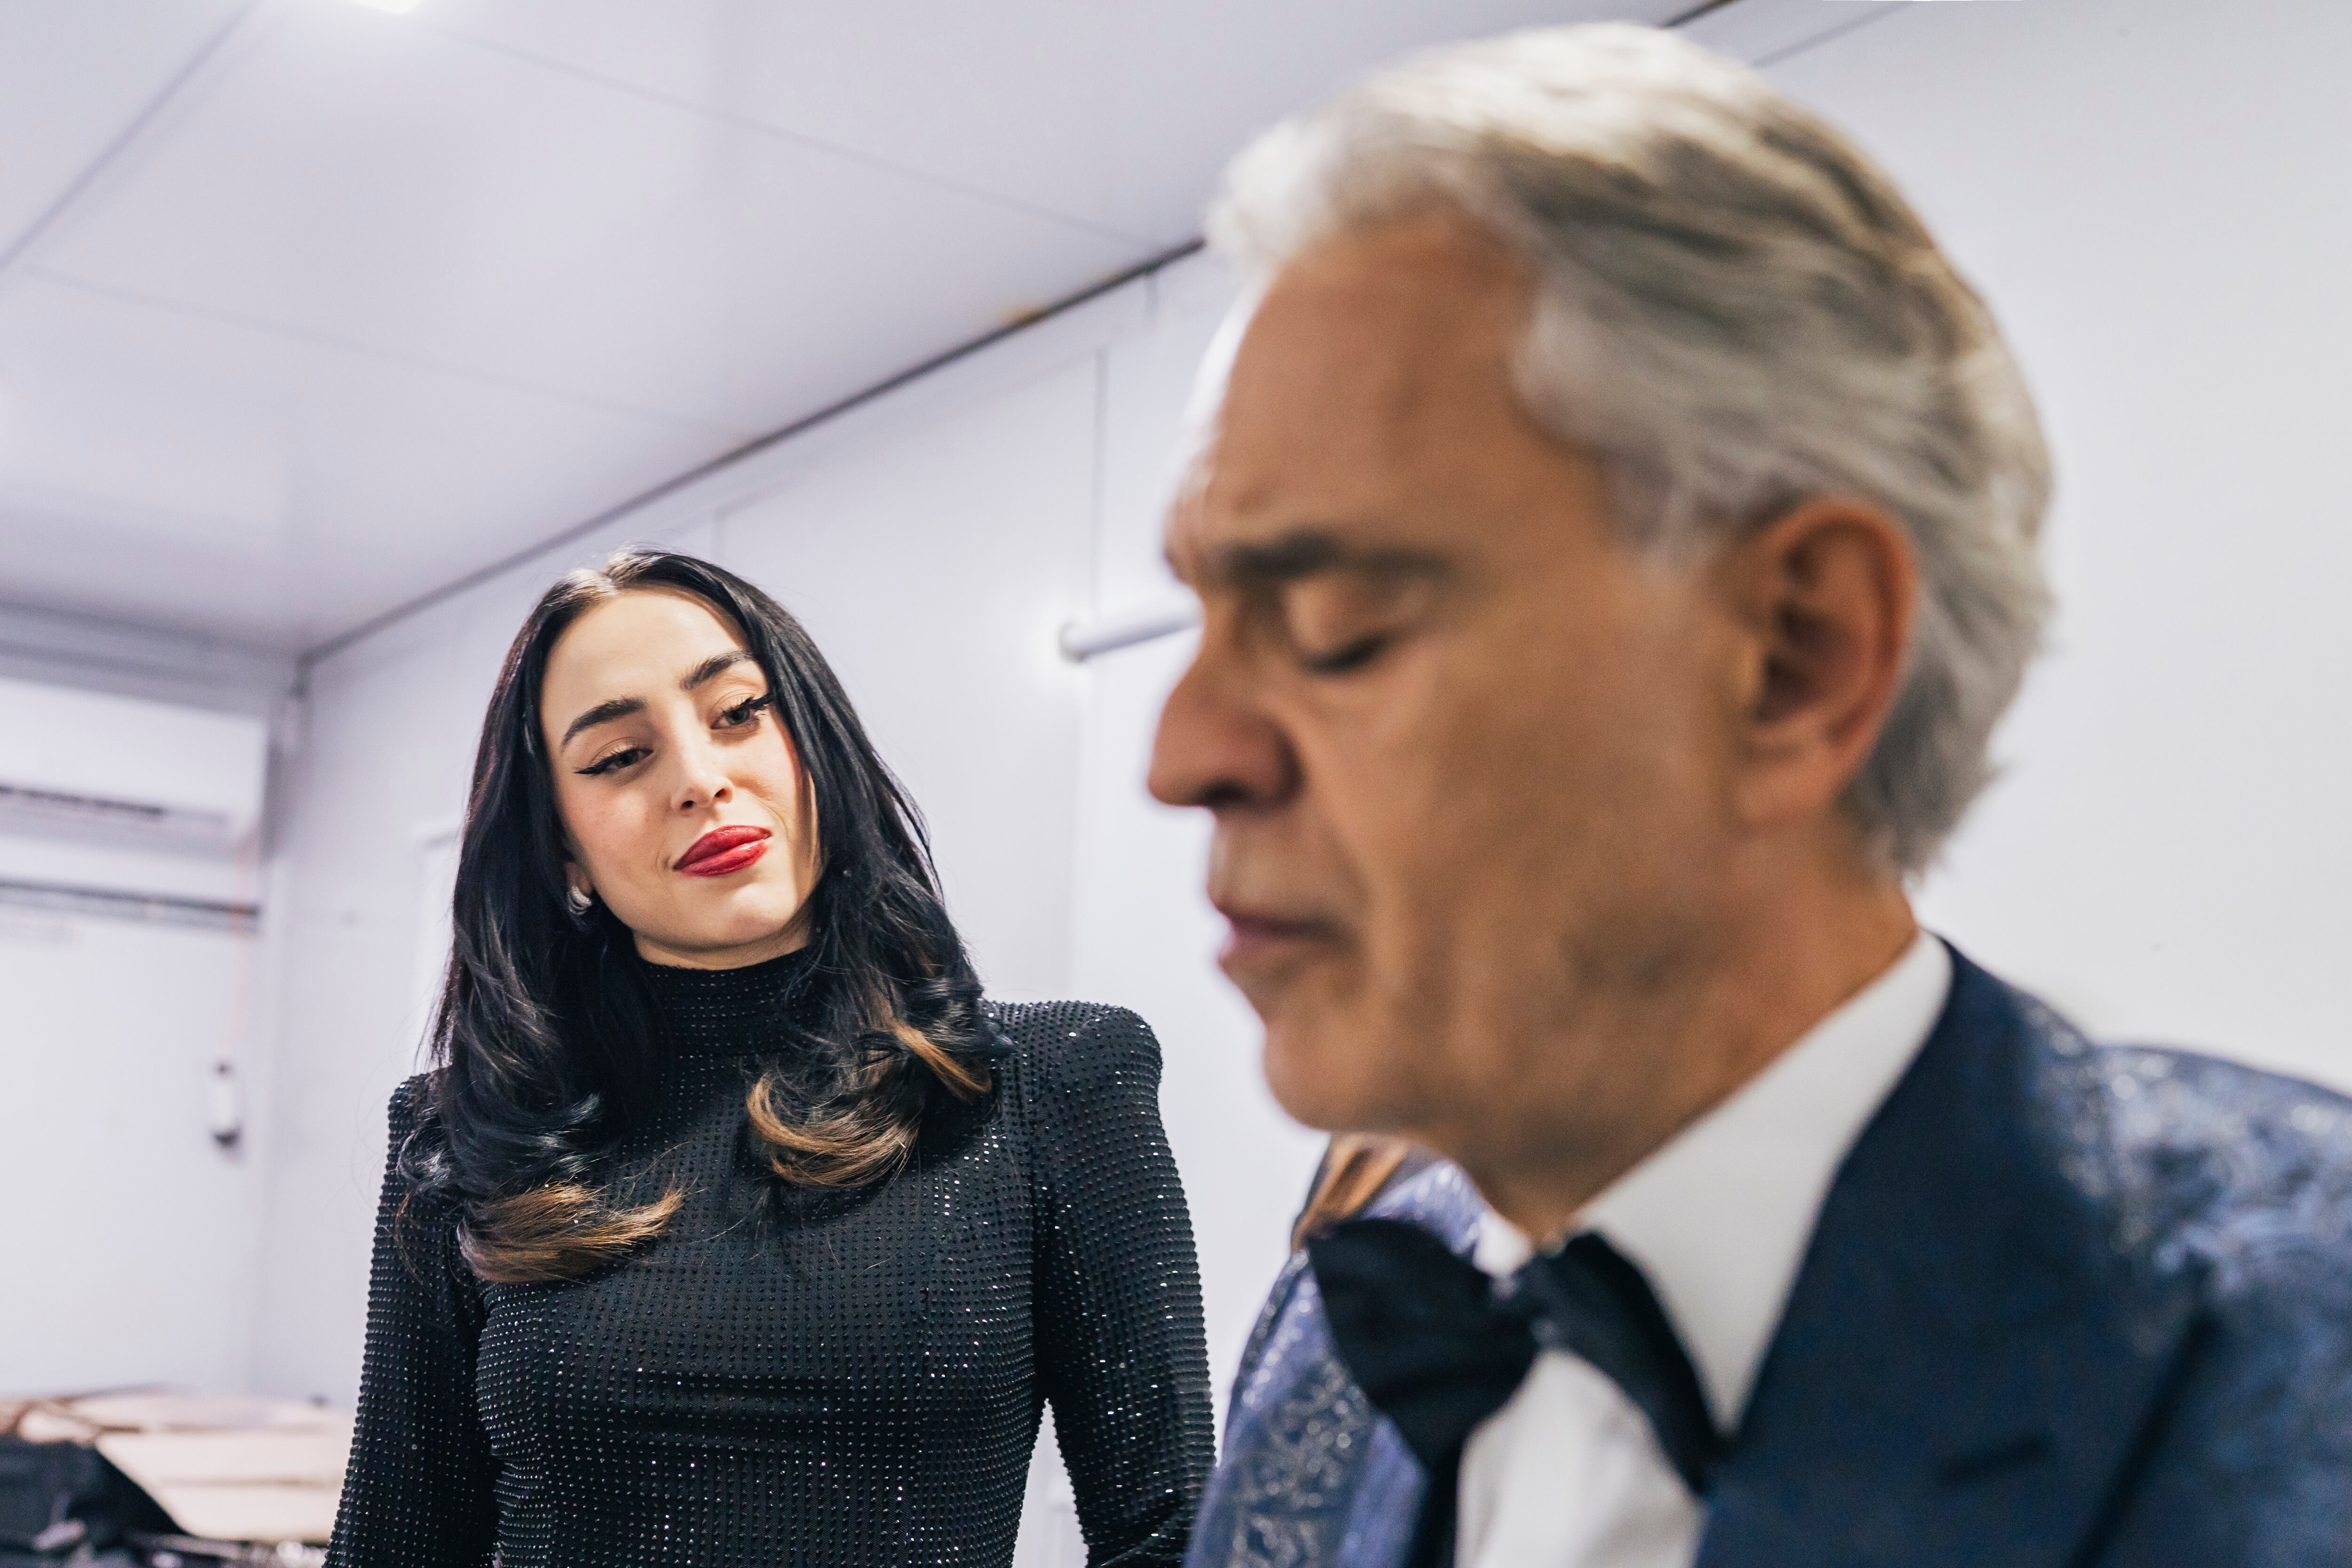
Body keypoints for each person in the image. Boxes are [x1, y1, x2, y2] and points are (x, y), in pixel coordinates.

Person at [1150, 24, 2352, 1568]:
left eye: (1337, 621)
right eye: (1197, 613)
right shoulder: (1336, 1355)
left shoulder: (2294, 1347)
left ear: (1794, 656)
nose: (1183, 752)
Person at [327, 548, 1212, 1568]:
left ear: (813, 740)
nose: (699, 780)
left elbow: (1171, 1535)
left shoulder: (1052, 1081)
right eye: (619, 757)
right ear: (559, 847)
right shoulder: (467, 1134)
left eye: (738, 712)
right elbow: (394, 1542)